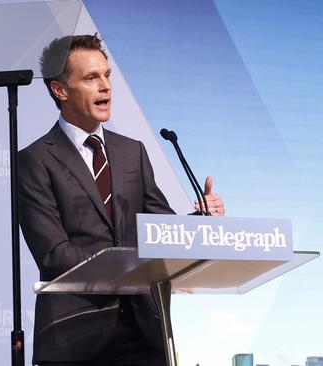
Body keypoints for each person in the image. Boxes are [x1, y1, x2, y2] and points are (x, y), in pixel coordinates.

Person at [19, 34, 224, 365]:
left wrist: (200, 220)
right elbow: (54, 254)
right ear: (60, 90)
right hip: (76, 334)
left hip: (144, 331)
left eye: (107, 75)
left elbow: (161, 230)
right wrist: (130, 268)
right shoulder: (35, 159)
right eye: (91, 77)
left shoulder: (132, 151)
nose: (105, 87)